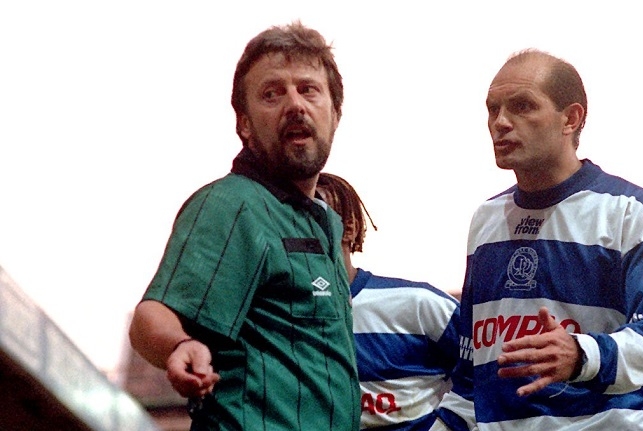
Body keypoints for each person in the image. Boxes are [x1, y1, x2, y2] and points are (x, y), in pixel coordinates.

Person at [432, 49, 643, 430]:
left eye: (522, 106)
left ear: (571, 118)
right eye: (492, 109)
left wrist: (581, 355)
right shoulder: (485, 221)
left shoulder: (630, 211)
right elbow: (472, 373)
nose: (500, 122)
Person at [128, 22, 360, 431]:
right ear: (245, 124)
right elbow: (151, 317)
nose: (294, 104)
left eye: (308, 89)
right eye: (272, 94)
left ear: (335, 113)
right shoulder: (232, 205)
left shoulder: (325, 221)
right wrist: (180, 345)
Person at [315, 172, 461, 431]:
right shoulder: (280, 316)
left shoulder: (418, 304)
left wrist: (450, 425)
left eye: (315, 215)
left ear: (349, 229)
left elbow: (487, 368)